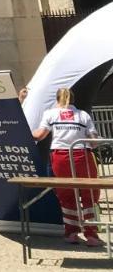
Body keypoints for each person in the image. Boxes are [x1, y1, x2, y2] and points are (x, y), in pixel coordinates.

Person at [33, 87, 103, 247]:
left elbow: (39, 135)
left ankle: (71, 233)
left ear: (57, 100)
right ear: (72, 99)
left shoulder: (50, 114)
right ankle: (91, 235)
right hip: (82, 155)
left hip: (60, 156)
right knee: (90, 194)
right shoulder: (83, 115)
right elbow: (93, 141)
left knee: (66, 194)